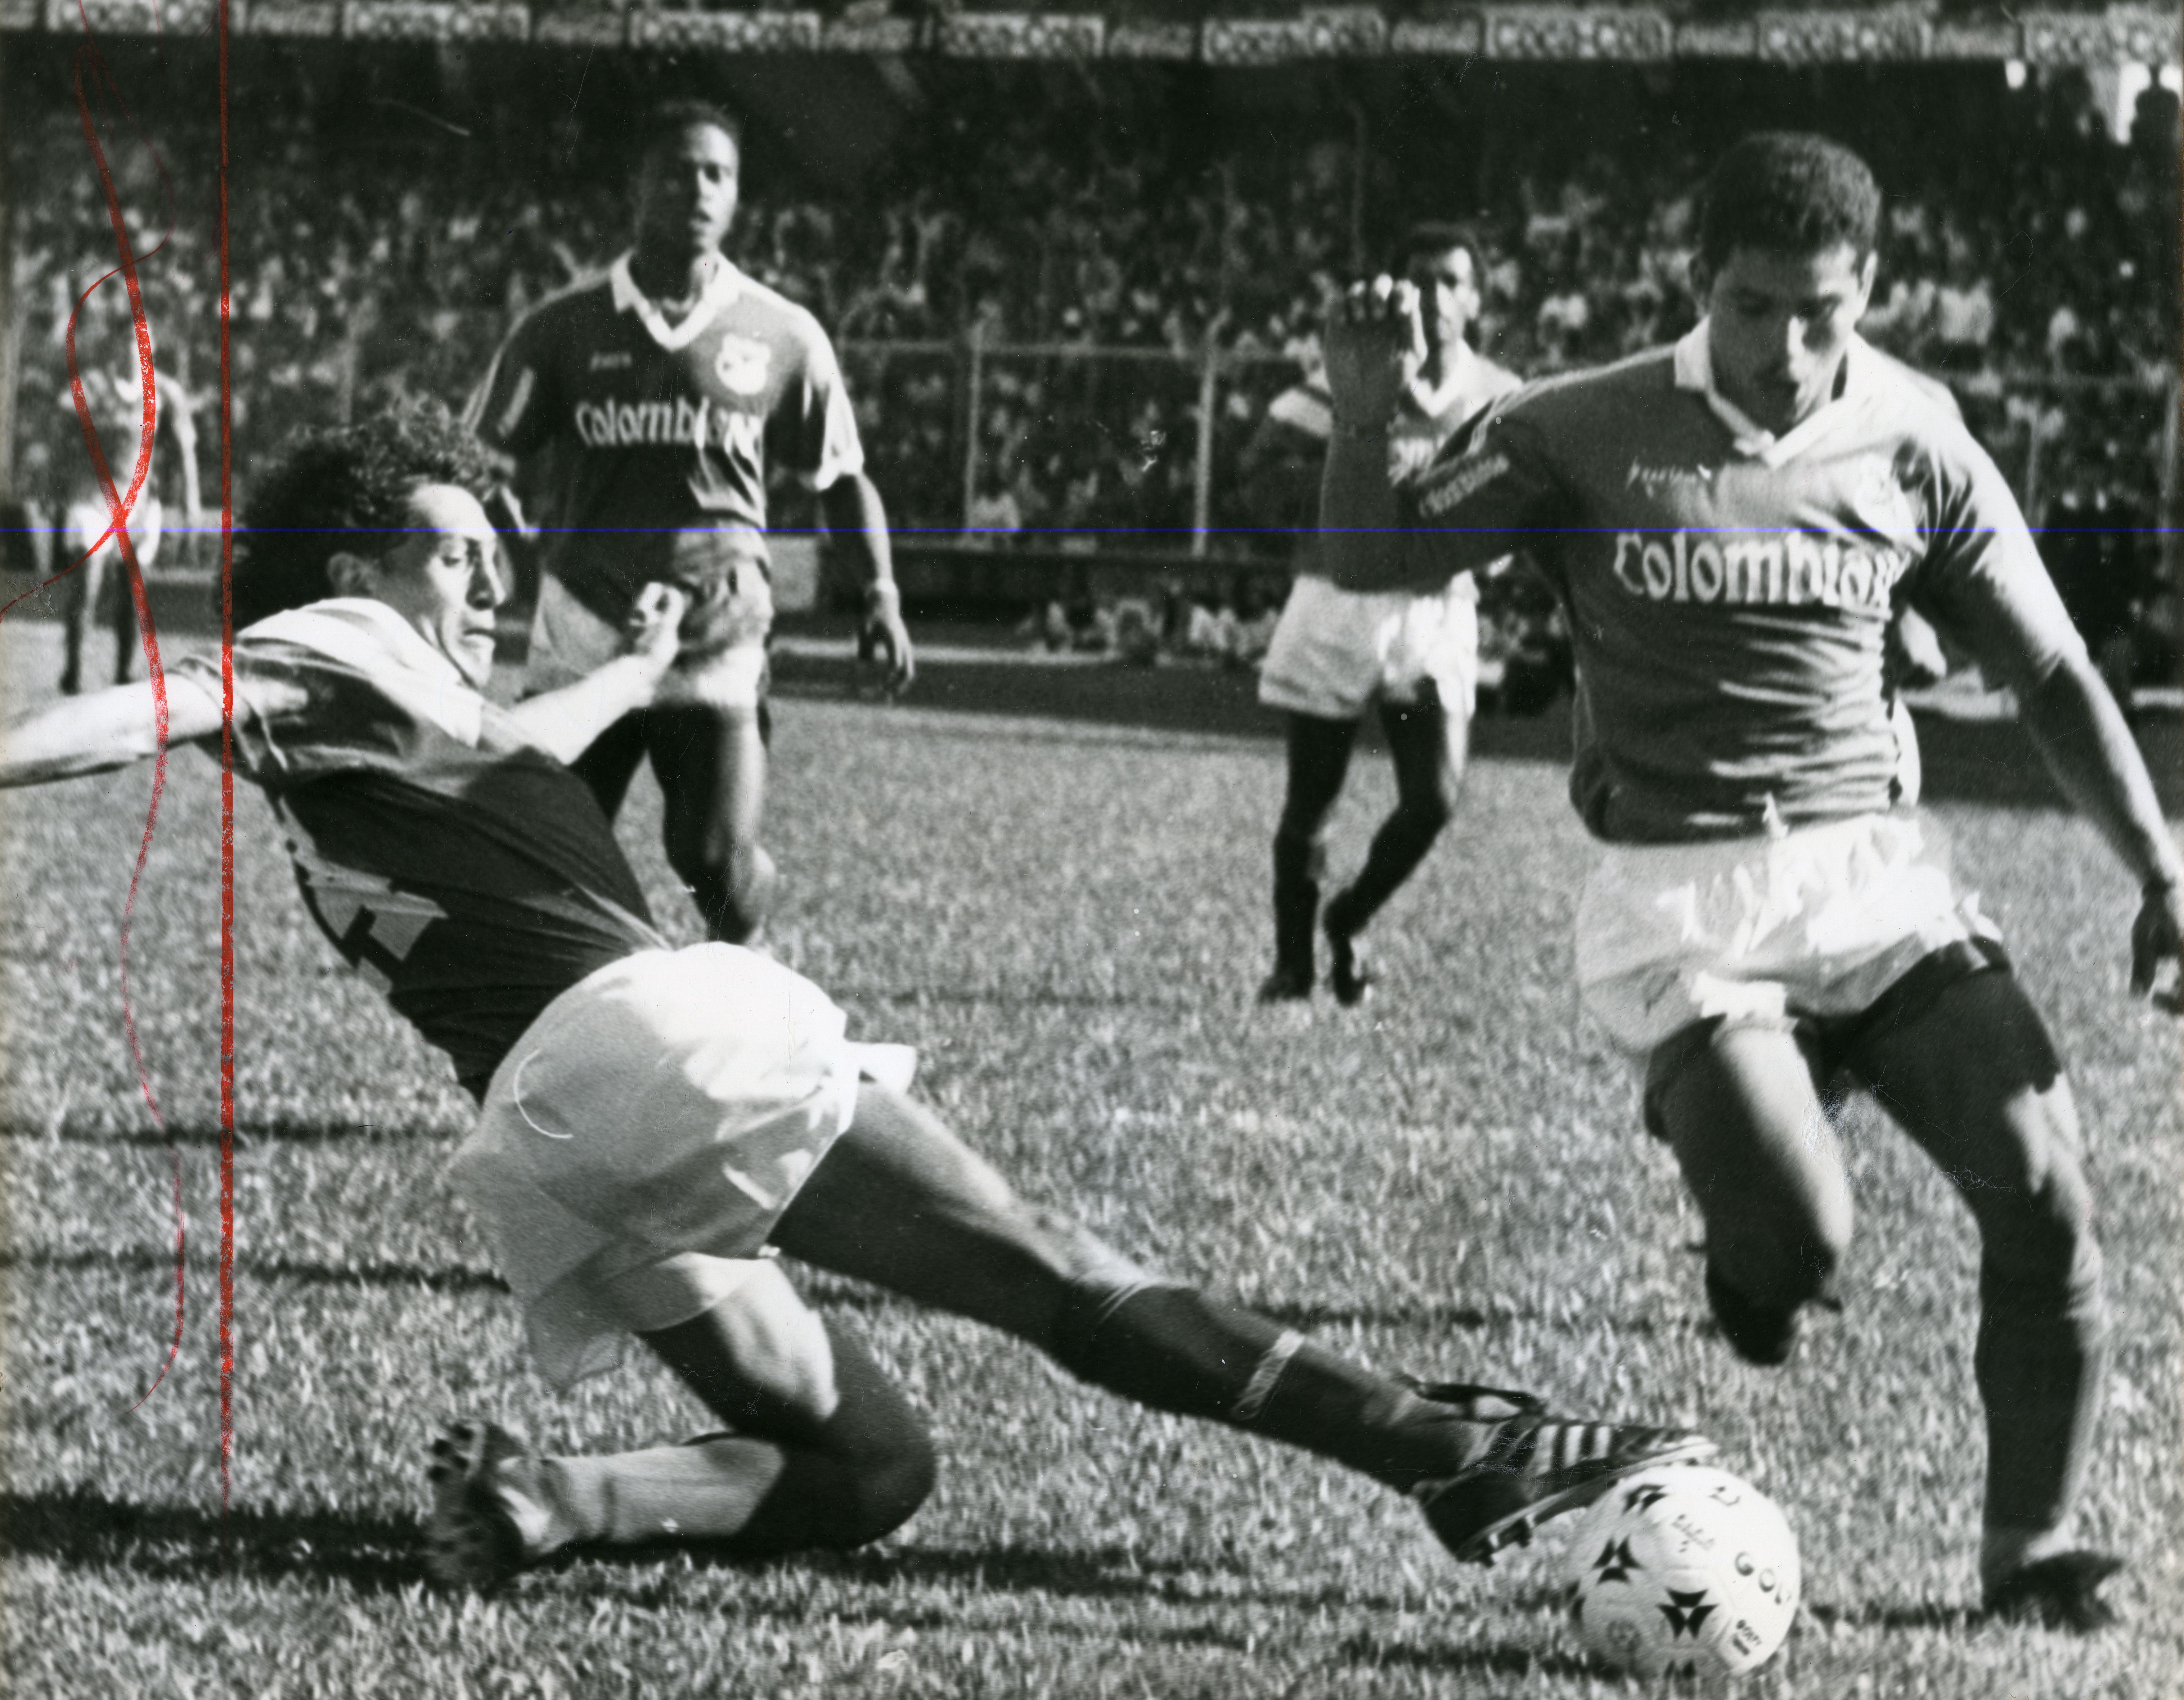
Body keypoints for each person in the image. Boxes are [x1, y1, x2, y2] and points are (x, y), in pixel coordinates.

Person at [0, 402, 1710, 1593]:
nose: (490, 582)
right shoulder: (332, 643)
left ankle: (558, 1496)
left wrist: (637, 668)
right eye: (455, 554)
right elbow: (157, 703)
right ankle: (1447, 1451)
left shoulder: (365, 730)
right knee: (1050, 1262)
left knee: (874, 1464)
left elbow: (512, 736)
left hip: (553, 1137)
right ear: (356, 565)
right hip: (645, 1042)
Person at [1316, 132, 2181, 1632]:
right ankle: (1750, 1254)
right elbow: (1374, 557)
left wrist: (2160, 868)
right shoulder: (1575, 426)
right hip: (1680, 897)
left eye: (1820, 311)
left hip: (1870, 879)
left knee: (2045, 1187)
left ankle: (2027, 1550)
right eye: (1751, 307)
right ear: (1695, 280)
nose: (1785, 347)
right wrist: (1356, 409)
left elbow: (2046, 668)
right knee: (1799, 1246)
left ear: (1870, 288)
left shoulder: (1914, 434)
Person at [465, 98, 913, 946]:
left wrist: (882, 594)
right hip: (586, 625)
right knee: (542, 852)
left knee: (715, 865)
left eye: (717, 174)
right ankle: (586, 1004)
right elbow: (476, 462)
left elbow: (840, 476)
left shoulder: (785, 334)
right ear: (637, 185)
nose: (698, 189)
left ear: (737, 194)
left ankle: (737, 977)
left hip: (716, 625)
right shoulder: (561, 327)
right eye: (677, 172)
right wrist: (514, 559)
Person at [1248, 226, 1522, 1005]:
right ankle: (1293, 968)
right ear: (1397, 294)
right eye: (1418, 280)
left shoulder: (1501, 394)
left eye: (1450, 281)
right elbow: (1259, 472)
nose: (1433, 296)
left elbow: (1521, 501)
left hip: (1436, 611)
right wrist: (1352, 486)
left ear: (1476, 300)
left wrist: (1490, 542)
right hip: (1336, 603)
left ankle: (1349, 916)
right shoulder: (1346, 378)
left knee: (1433, 800)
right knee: (1313, 798)